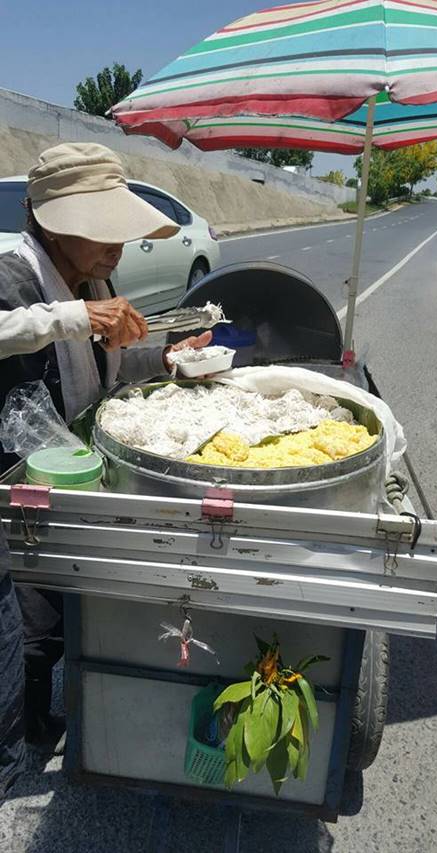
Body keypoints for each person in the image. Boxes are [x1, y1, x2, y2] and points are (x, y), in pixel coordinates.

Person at [0, 141, 211, 754]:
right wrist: (73, 316)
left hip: (77, 473)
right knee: (32, 625)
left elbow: (108, 369)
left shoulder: (93, 277)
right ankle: (25, 734)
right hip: (23, 487)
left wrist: (169, 356)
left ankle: (52, 710)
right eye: (99, 231)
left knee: (69, 609)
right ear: (49, 225)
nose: (115, 248)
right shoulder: (15, 279)